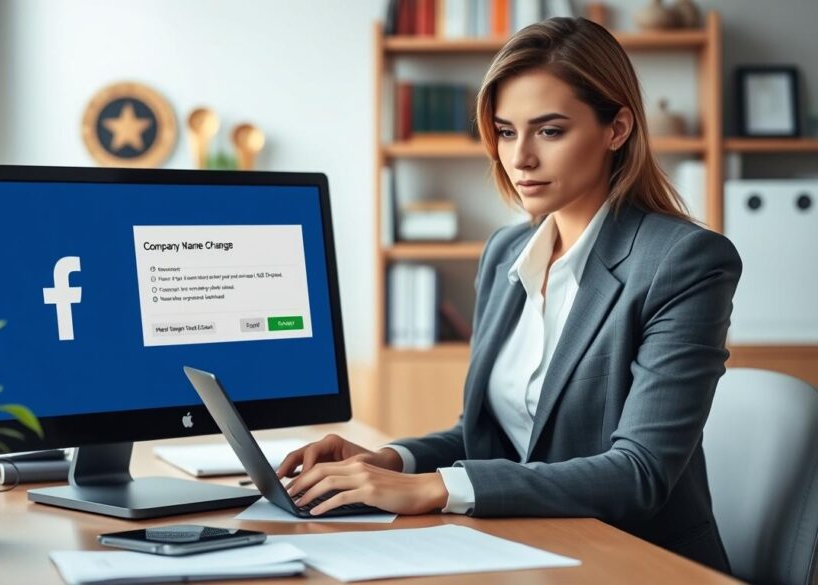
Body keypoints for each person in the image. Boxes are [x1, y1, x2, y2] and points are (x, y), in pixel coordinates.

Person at [277, 17, 741, 573]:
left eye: (549, 131)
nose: (519, 158)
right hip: (525, 545)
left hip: (635, 560)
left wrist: (433, 489)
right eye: (504, 131)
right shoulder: (505, 252)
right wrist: (391, 461)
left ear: (616, 129)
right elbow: (487, 433)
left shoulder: (683, 261)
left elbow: (638, 473)